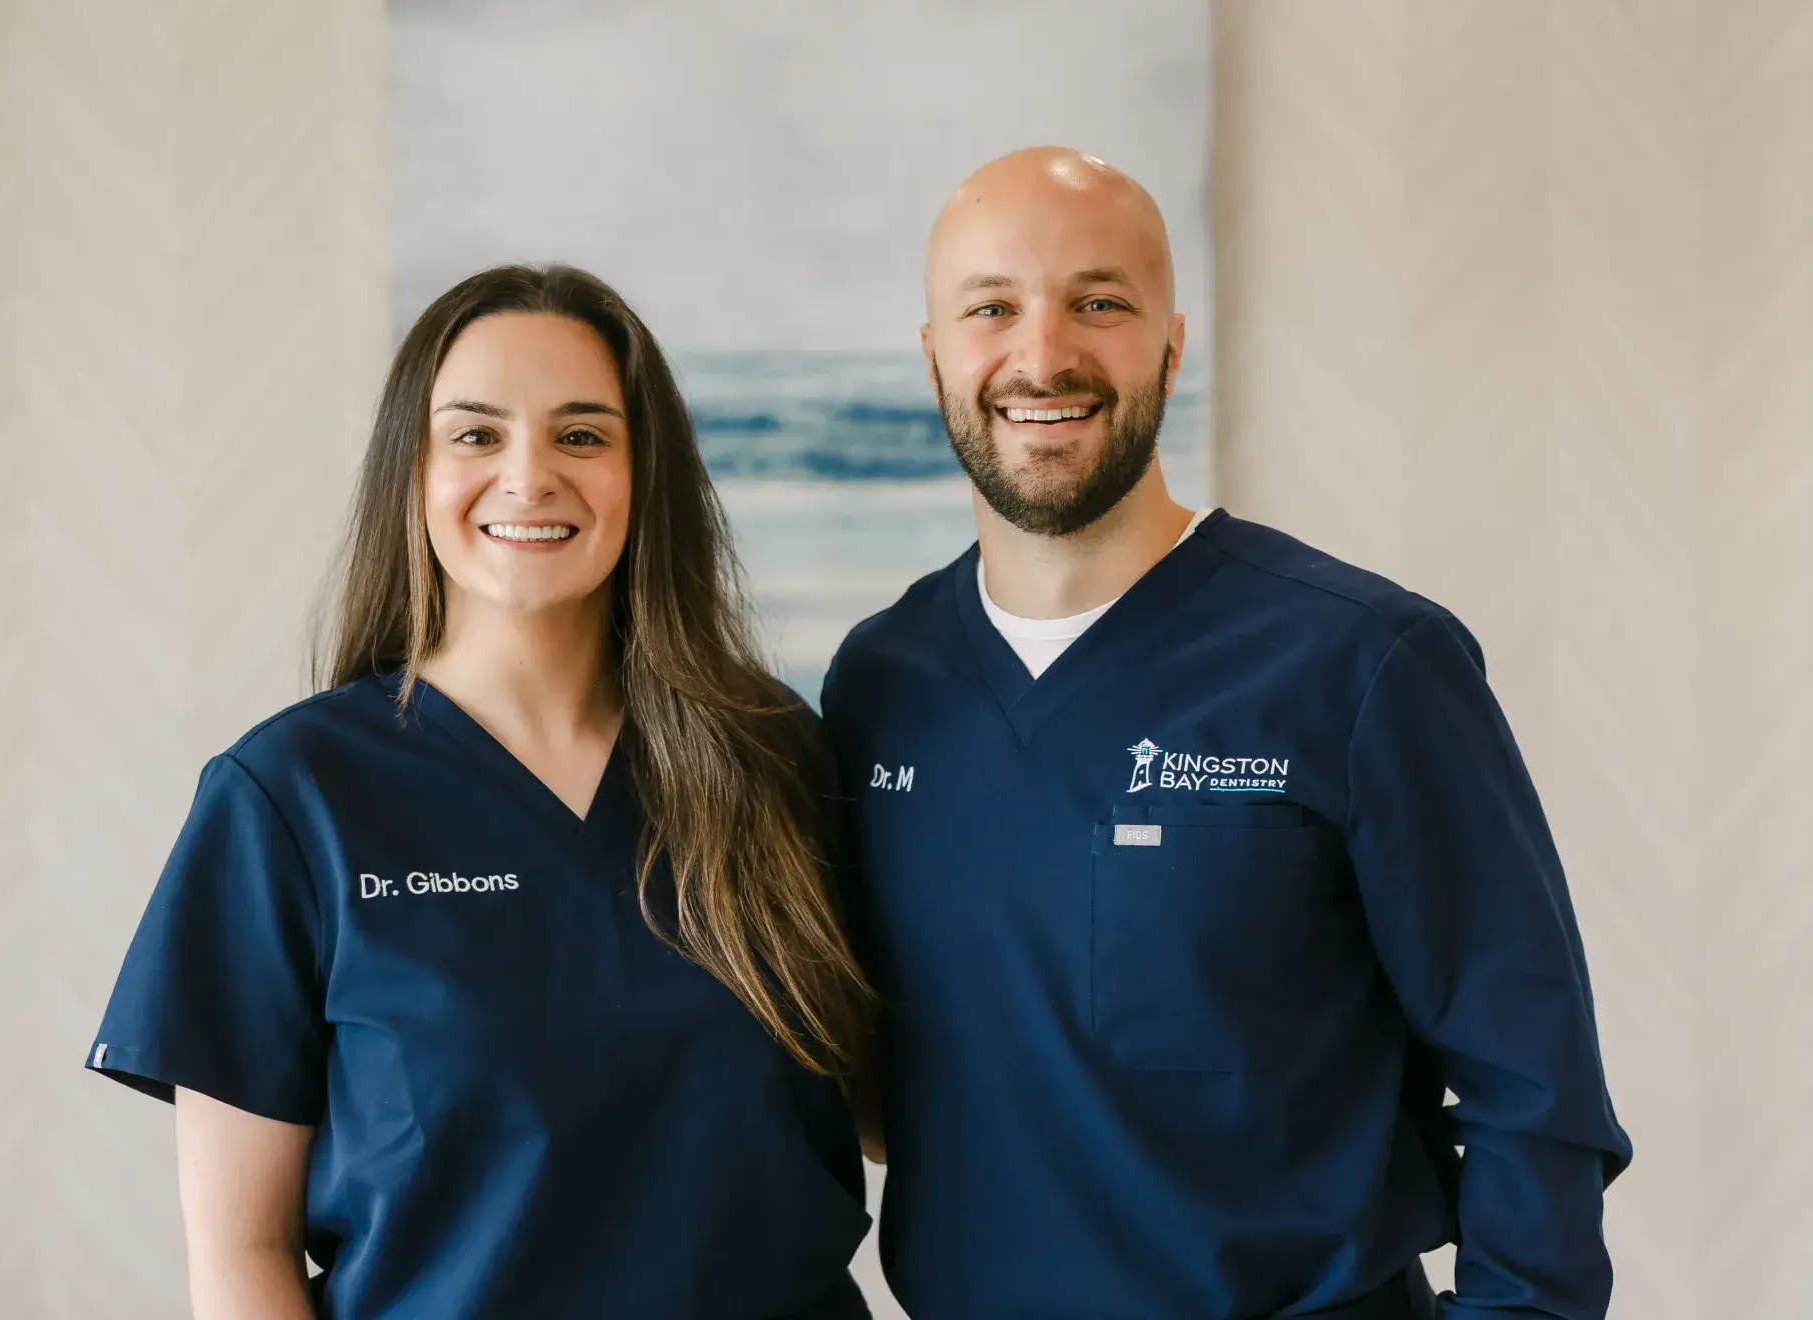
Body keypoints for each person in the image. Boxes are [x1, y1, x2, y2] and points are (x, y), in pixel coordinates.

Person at [820, 148, 1632, 1319]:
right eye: (990, 308)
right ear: (934, 352)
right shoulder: (879, 686)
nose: (1041, 355)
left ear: (1169, 342)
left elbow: (1534, 1090)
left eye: (1098, 303)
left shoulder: (1361, 662)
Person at [87, 265, 875, 1320]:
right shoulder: (290, 798)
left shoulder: (778, 759)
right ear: (409, 473)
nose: (528, 476)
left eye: (582, 435)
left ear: (648, 476)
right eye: (475, 435)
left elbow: (902, 1104)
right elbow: (241, 1262)